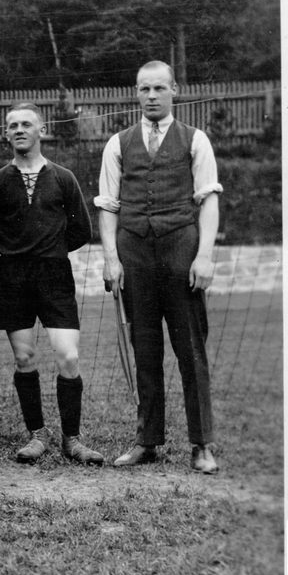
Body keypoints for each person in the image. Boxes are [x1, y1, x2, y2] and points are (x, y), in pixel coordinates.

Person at [96, 61, 222, 474]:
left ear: (174, 90)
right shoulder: (118, 144)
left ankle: (201, 444)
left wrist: (204, 256)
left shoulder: (195, 139)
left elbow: (208, 200)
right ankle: (147, 440)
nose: (151, 96)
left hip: (180, 250)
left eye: (159, 88)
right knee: (145, 349)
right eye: (144, 89)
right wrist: (111, 259)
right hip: (134, 253)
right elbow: (108, 205)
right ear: (136, 93)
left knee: (191, 350)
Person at [0, 103, 103, 465]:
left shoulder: (63, 177)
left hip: (54, 275)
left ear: (42, 130)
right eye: (13, 125)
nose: (19, 130)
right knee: (24, 357)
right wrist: (8, 247)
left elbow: (82, 230)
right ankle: (37, 435)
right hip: (13, 277)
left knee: (68, 356)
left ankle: (72, 439)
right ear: (6, 134)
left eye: (27, 124)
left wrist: (50, 249)